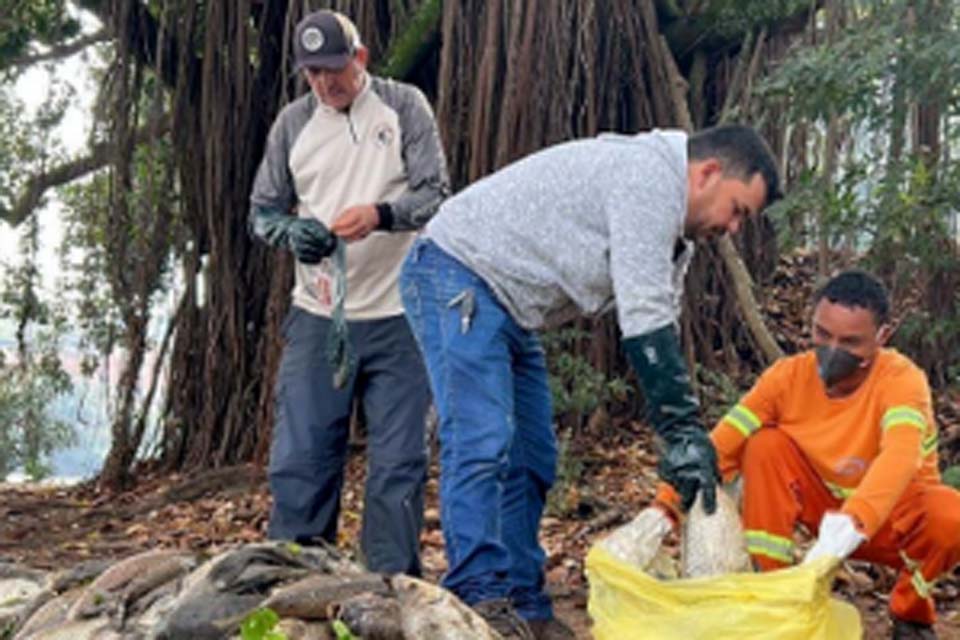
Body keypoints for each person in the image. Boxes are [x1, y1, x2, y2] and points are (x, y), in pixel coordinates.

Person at [399, 125, 780, 639]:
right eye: (738, 211)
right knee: (482, 441)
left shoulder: (677, 239)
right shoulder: (648, 178)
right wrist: (683, 429)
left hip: (510, 307)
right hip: (457, 271)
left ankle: (525, 605)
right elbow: (644, 319)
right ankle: (478, 596)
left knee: (532, 458)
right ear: (708, 173)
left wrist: (683, 436)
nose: (734, 228)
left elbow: (658, 325)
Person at [248, 9, 449, 576]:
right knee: (302, 458)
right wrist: (291, 232)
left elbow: (436, 193)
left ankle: (389, 588)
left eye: (334, 69)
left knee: (400, 461)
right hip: (319, 316)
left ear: (359, 58)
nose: (325, 83)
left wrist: (382, 215)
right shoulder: (292, 124)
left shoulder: (404, 106)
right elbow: (261, 212)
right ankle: (295, 583)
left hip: (401, 313)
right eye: (312, 73)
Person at [657, 270, 960, 640]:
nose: (832, 349)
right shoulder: (786, 378)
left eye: (850, 341)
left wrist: (853, 523)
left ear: (882, 336)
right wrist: (662, 509)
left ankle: (910, 613)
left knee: (951, 517)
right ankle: (773, 596)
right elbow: (723, 443)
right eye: (822, 334)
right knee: (764, 445)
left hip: (892, 520)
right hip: (822, 512)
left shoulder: (902, 380)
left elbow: (900, 454)